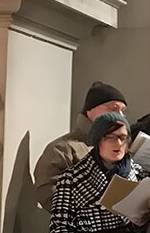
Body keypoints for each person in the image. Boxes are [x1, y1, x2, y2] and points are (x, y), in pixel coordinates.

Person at [34, 81, 127, 214]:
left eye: (123, 111)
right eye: (113, 108)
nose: (120, 116)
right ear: (91, 110)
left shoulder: (120, 147)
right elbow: (48, 193)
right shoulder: (62, 149)